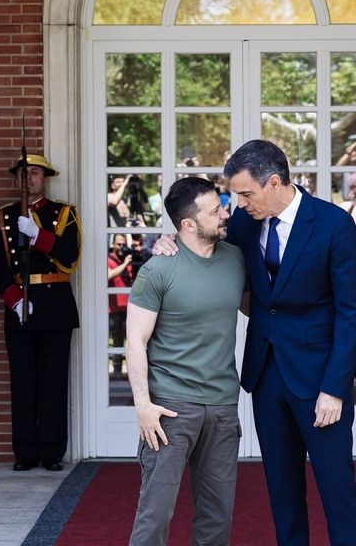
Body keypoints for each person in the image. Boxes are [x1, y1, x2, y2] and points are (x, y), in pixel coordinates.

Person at [154, 139, 356, 546]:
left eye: (246, 193)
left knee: (337, 489)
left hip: (319, 380)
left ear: (273, 182)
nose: (239, 204)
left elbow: (351, 311)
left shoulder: (333, 223)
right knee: (283, 492)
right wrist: (170, 242)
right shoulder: (247, 222)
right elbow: (203, 241)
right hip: (266, 376)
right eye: (235, 195)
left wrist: (334, 389)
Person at [126, 177, 244, 546]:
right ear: (188, 224)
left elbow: (260, 309)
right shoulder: (158, 269)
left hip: (223, 406)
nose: (225, 215)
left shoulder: (236, 258)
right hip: (170, 409)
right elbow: (135, 341)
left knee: (217, 516)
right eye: (215, 211)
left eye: (222, 206)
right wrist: (143, 406)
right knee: (155, 513)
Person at [0, 154, 81, 472]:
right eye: (22, 173)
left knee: (54, 383)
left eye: (34, 172)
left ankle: (52, 451)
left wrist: (37, 235)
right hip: (20, 308)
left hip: (55, 306)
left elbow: (70, 255)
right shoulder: (3, 217)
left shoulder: (64, 213)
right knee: (23, 383)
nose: (28, 178)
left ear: (45, 178)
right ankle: (26, 452)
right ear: (15, 179)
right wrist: (15, 301)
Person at [107, 233, 133, 378]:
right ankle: (117, 372)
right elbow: (108, 275)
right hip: (115, 309)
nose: (121, 247)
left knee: (131, 341)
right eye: (118, 244)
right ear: (113, 244)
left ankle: (131, 372)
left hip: (130, 308)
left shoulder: (128, 259)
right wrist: (124, 265)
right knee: (117, 340)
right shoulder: (109, 259)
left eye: (123, 244)